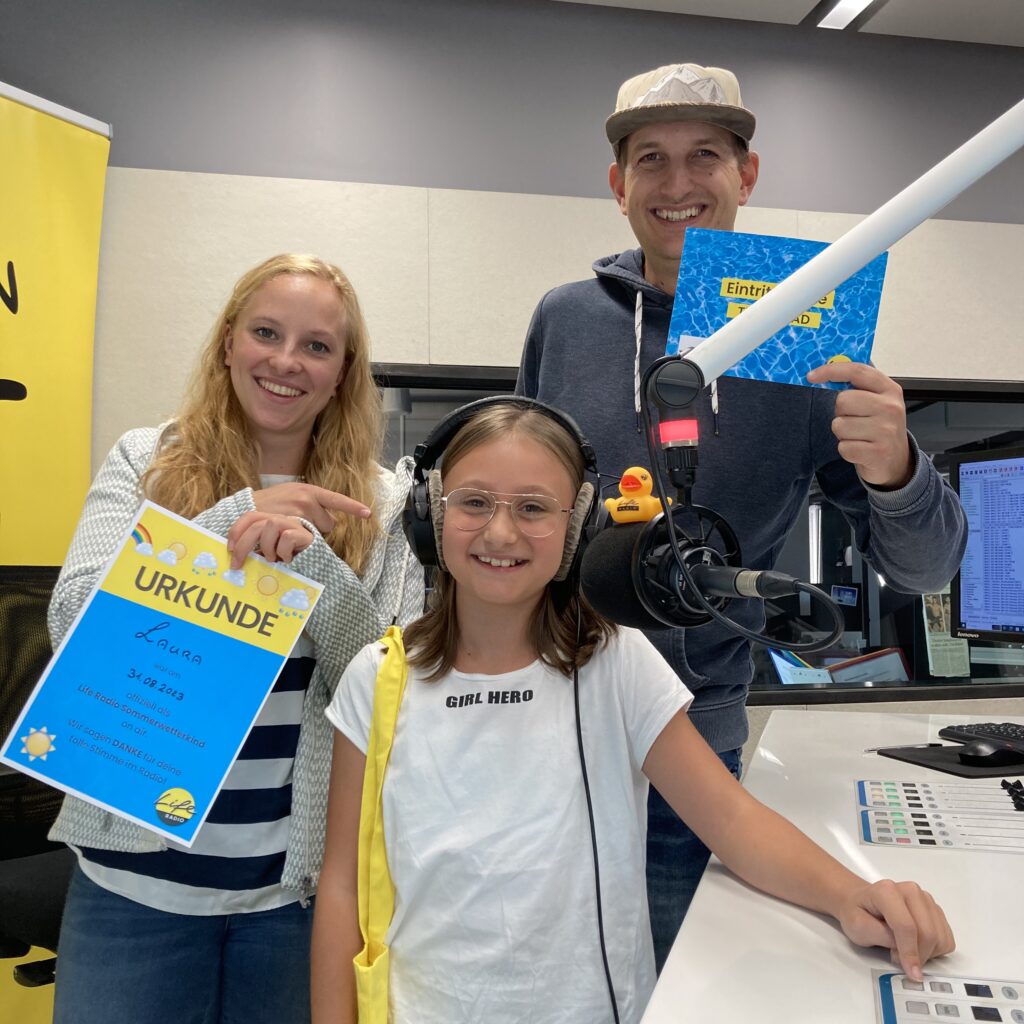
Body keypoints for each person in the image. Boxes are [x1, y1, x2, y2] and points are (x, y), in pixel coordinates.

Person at [516, 62, 968, 970]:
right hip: (544, 729)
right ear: (618, 184)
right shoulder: (564, 321)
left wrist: (898, 470)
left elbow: (924, 570)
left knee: (678, 986)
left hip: (699, 746)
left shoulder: (805, 330)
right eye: (651, 158)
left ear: (746, 175)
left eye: (705, 156)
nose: (677, 182)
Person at [311, 397, 954, 1024]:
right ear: (429, 513)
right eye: (473, 502)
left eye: (533, 507)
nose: (500, 532)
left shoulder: (615, 663)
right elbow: (342, 886)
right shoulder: (378, 678)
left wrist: (853, 895)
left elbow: (732, 820)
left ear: (578, 527)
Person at [48, 253, 424, 1024]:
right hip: (129, 888)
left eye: (317, 346)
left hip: (292, 899)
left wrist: (312, 567)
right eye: (265, 333)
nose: (286, 361)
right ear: (228, 342)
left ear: (343, 372)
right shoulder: (145, 460)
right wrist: (235, 520)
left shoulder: (382, 503)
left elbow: (389, 686)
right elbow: (73, 624)